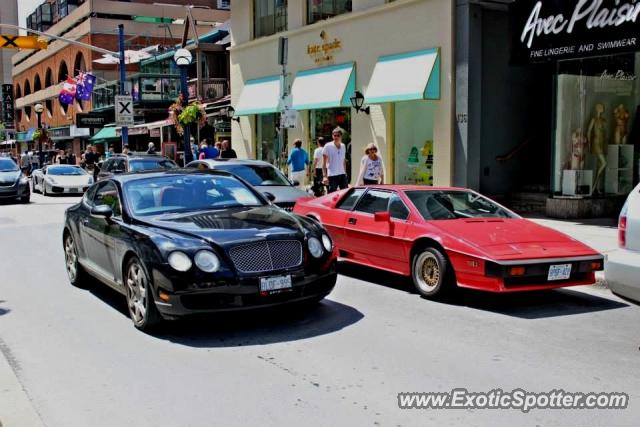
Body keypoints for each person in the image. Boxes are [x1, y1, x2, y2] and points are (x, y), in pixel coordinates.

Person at [322, 127, 348, 193]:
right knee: (331, 195)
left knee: (345, 194)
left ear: (341, 136)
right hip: (332, 175)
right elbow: (324, 162)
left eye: (338, 135)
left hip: (342, 174)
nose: (336, 137)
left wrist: (345, 173)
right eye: (334, 135)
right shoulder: (327, 146)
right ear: (332, 136)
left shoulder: (343, 146)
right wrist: (324, 176)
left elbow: (343, 160)